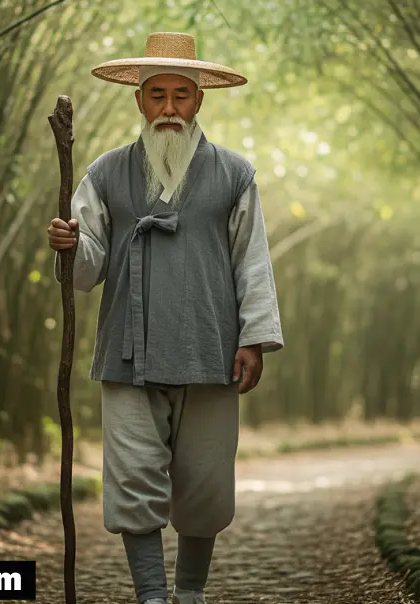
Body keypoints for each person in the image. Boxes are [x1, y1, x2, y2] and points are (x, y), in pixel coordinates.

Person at [48, 31, 284, 604]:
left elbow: (251, 261)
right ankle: (152, 596)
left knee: (205, 482)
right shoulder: (105, 173)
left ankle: (191, 593)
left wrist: (253, 339)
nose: (170, 108)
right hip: (128, 353)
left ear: (199, 99)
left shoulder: (234, 175)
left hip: (211, 349)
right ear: (140, 100)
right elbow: (87, 266)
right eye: (158, 95)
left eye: (182, 95)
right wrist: (70, 245)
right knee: (133, 477)